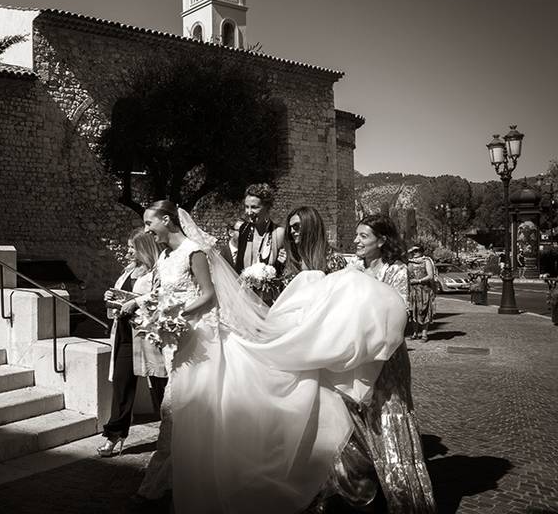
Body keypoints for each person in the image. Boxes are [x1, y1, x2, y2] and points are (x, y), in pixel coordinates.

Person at [137, 200, 407, 514]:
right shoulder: (288, 259)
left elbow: (340, 301)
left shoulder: (334, 262)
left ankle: (358, 488)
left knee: (342, 417)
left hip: (334, 344)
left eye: (297, 229)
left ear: (311, 228)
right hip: (297, 337)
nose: (292, 235)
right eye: (290, 229)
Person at [325, 214, 437, 513]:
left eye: (363, 236)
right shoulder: (354, 269)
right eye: (357, 235)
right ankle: (361, 489)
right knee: (357, 415)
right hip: (358, 356)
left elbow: (395, 315)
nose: (356, 241)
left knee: (389, 415)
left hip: (388, 360)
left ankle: (403, 495)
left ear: (382, 240)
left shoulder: (396, 271)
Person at [98, 228, 166, 458]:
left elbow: (161, 298)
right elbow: (120, 296)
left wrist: (136, 303)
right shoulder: (129, 271)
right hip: (125, 335)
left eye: (131, 247)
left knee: (159, 384)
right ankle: (115, 434)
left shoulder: (157, 272)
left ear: (144, 248)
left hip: (148, 336)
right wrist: (111, 299)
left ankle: (169, 432)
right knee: (121, 383)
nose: (127, 252)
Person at [283, 206, 347, 277]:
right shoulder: (293, 260)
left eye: (296, 226)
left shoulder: (333, 260)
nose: (292, 231)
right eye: (290, 228)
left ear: (309, 226)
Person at [407, 245, 437, 341]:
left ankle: (424, 334)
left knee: (424, 311)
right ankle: (415, 333)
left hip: (424, 290)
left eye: (416, 250)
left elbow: (430, 276)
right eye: (413, 251)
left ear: (421, 251)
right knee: (413, 311)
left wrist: (418, 281)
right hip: (413, 290)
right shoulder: (410, 262)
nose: (414, 252)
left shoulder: (426, 261)